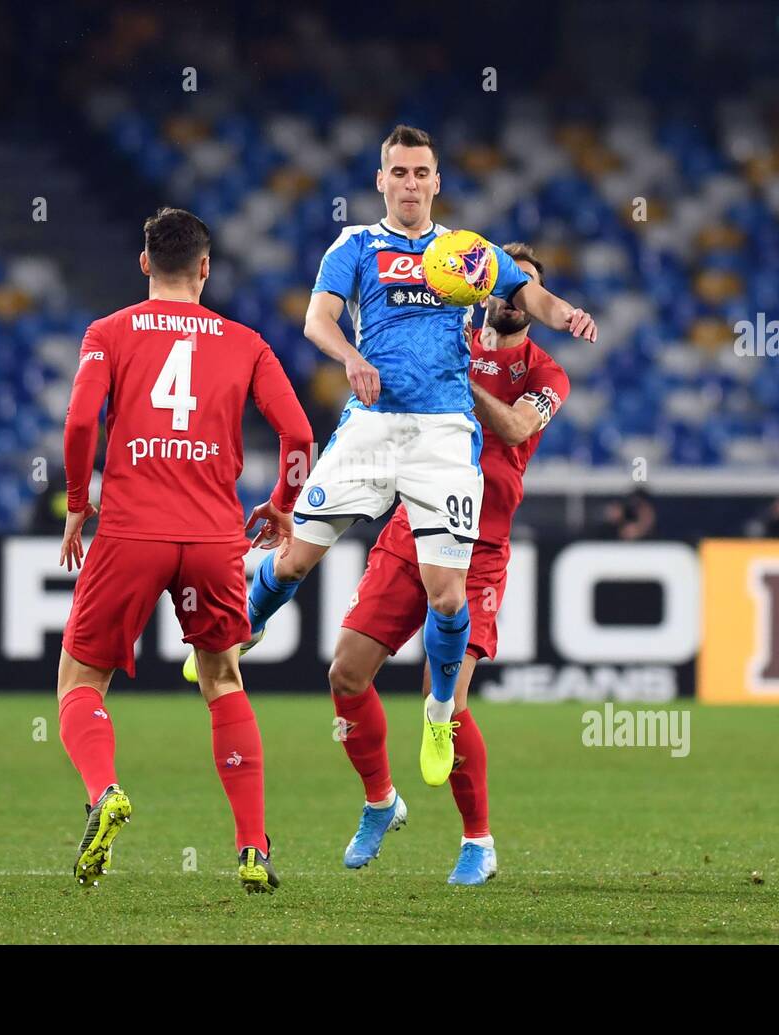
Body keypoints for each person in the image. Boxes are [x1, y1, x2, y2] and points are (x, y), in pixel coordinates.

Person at [185, 126, 597, 790]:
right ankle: (246, 623)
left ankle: (438, 712)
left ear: (437, 183)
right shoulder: (354, 246)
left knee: (446, 593)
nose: (410, 183)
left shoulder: (464, 253)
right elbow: (317, 319)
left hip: (441, 434)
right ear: (381, 181)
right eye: (398, 172)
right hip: (370, 427)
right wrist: (350, 357)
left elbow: (528, 294)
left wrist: (566, 312)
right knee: (292, 557)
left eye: (421, 173)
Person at [57, 207, 313, 893]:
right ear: (205, 268)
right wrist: (282, 507)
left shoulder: (108, 333)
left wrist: (79, 502)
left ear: (144, 263)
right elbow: (297, 434)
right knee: (223, 679)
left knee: (81, 683)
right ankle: (253, 847)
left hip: (131, 531)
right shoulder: (247, 343)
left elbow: (82, 419)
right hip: (212, 536)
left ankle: (104, 791)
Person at [328, 243, 570, 884]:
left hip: (480, 550)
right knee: (346, 674)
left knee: (449, 704)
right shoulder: (451, 329)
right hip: (414, 527)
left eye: (522, 288)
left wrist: (455, 377)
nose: (505, 297)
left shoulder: (547, 375)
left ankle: (478, 841)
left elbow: (518, 430)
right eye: (497, 283)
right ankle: (381, 800)